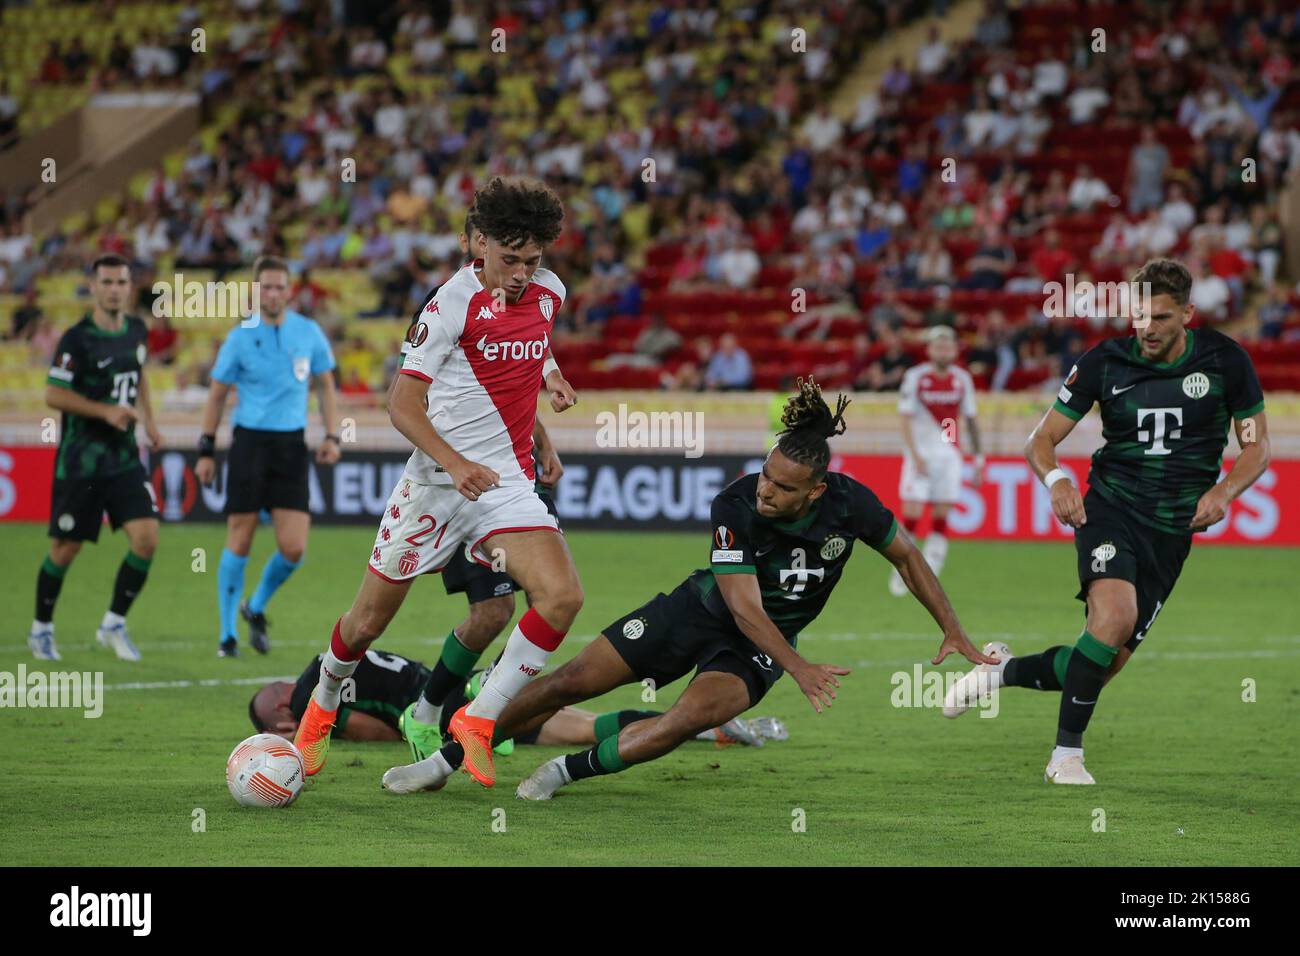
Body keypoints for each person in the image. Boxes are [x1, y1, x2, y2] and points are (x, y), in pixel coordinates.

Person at [381, 378, 992, 797]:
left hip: (755, 650)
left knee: (681, 720)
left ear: (815, 491)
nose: (765, 492)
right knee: (567, 681)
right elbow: (742, 605)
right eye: (765, 477)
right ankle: (444, 763)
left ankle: (562, 774)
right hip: (699, 611)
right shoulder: (736, 502)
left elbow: (909, 558)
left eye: (781, 489)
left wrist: (953, 627)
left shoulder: (851, 503)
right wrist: (800, 668)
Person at [293, 176, 580, 786]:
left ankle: (477, 720)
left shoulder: (549, 292)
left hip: (503, 483)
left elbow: (531, 348)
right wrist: (454, 465)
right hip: (435, 484)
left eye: (533, 260)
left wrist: (549, 387)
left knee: (561, 598)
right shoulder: (448, 305)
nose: (522, 273)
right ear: (479, 243)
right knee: (365, 624)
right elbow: (401, 406)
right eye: (510, 259)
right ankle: (322, 703)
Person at [945, 259, 1270, 784]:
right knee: (1114, 617)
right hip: (1112, 508)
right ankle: (1064, 757)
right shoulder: (1105, 362)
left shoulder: (1225, 361)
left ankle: (998, 672)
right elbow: (1040, 442)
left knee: (1102, 660)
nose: (1146, 327)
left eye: (1161, 317)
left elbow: (1256, 448)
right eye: (1139, 315)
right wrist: (1059, 482)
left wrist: (1225, 489)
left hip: (1172, 532)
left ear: (1187, 313)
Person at [194, 255, 341, 658]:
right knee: (239, 535)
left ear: (289, 291)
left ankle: (254, 606)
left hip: (290, 445)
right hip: (249, 444)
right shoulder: (240, 337)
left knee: (293, 547)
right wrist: (205, 449)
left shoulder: (308, 333)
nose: (274, 293)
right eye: (267, 287)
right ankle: (226, 634)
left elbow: (326, 385)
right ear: (256, 292)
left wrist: (332, 434)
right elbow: (217, 394)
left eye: (280, 286)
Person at [248, 650, 787, 750]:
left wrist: (308, 736)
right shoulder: (326, 660)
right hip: (463, 682)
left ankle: (698, 725)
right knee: (577, 712)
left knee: (578, 728)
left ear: (279, 713)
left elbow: (382, 732)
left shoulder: (310, 699)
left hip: (462, 715)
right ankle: (705, 724)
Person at [30, 254, 162, 661]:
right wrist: (104, 410)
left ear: (129, 287)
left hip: (123, 458)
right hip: (81, 460)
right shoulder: (76, 339)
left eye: (121, 282)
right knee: (66, 548)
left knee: (146, 539)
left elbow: (137, 378)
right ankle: (41, 629)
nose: (114, 289)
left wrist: (151, 423)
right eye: (106, 281)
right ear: (93, 285)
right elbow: (53, 393)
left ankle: (113, 624)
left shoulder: (137, 329)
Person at [888, 326, 982, 597]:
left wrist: (978, 460)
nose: (942, 351)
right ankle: (900, 570)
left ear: (954, 350)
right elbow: (905, 418)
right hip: (921, 455)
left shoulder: (962, 379)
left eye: (947, 346)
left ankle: (931, 571)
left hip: (949, 455)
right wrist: (914, 454)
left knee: (941, 517)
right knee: (912, 516)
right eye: (937, 346)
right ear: (929, 350)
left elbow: (972, 420)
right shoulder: (916, 377)